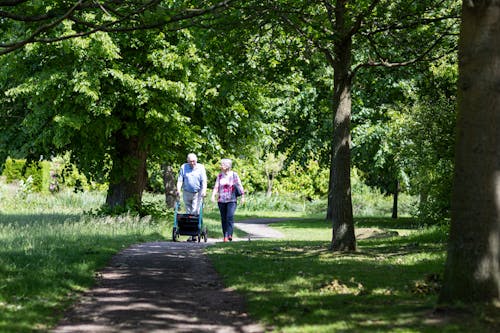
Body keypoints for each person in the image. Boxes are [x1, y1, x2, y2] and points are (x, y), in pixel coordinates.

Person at [211, 158, 245, 242]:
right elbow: (216, 186)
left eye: (222, 164)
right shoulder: (219, 176)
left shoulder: (234, 175)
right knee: (223, 218)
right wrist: (213, 196)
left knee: (230, 217)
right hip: (221, 200)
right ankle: (225, 236)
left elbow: (239, 186)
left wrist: (243, 197)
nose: (220, 166)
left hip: (232, 199)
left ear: (227, 166)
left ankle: (229, 234)